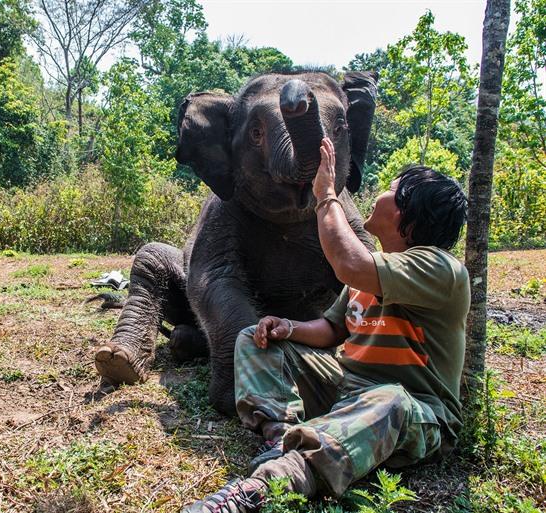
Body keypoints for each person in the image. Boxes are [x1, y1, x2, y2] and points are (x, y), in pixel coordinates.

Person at [181, 138, 470, 513]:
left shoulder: (440, 269)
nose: (381, 191)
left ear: (405, 214)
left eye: (393, 188)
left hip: (416, 413)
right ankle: (279, 434)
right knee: (253, 338)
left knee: (391, 398)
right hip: (347, 393)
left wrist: (326, 194)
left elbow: (347, 263)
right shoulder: (373, 271)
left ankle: (267, 486)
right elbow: (333, 331)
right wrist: (286, 327)